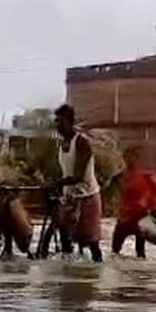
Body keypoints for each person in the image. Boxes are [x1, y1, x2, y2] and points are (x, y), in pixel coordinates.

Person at [52, 104, 103, 262]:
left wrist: (57, 183)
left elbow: (78, 176)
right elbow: (65, 171)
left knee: (91, 241)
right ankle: (68, 275)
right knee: (65, 237)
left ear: (69, 121)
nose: (57, 125)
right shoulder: (61, 145)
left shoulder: (82, 143)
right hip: (70, 197)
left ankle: (95, 272)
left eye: (60, 121)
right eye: (56, 121)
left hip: (87, 196)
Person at [112, 145, 156, 258]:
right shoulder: (120, 176)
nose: (128, 160)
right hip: (124, 216)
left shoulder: (146, 176)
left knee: (140, 251)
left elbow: (154, 194)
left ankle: (138, 273)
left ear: (137, 159)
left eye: (131, 157)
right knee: (115, 250)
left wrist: (154, 209)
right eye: (126, 157)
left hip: (139, 215)